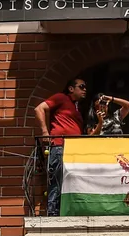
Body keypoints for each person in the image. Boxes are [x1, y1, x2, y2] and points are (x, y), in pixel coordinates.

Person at [34, 78, 87, 216]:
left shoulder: (76, 108)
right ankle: (53, 212)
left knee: (70, 181)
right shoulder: (61, 98)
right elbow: (39, 108)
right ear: (71, 88)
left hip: (73, 150)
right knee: (57, 179)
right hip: (59, 146)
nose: (84, 89)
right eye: (81, 86)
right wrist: (45, 132)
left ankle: (66, 210)